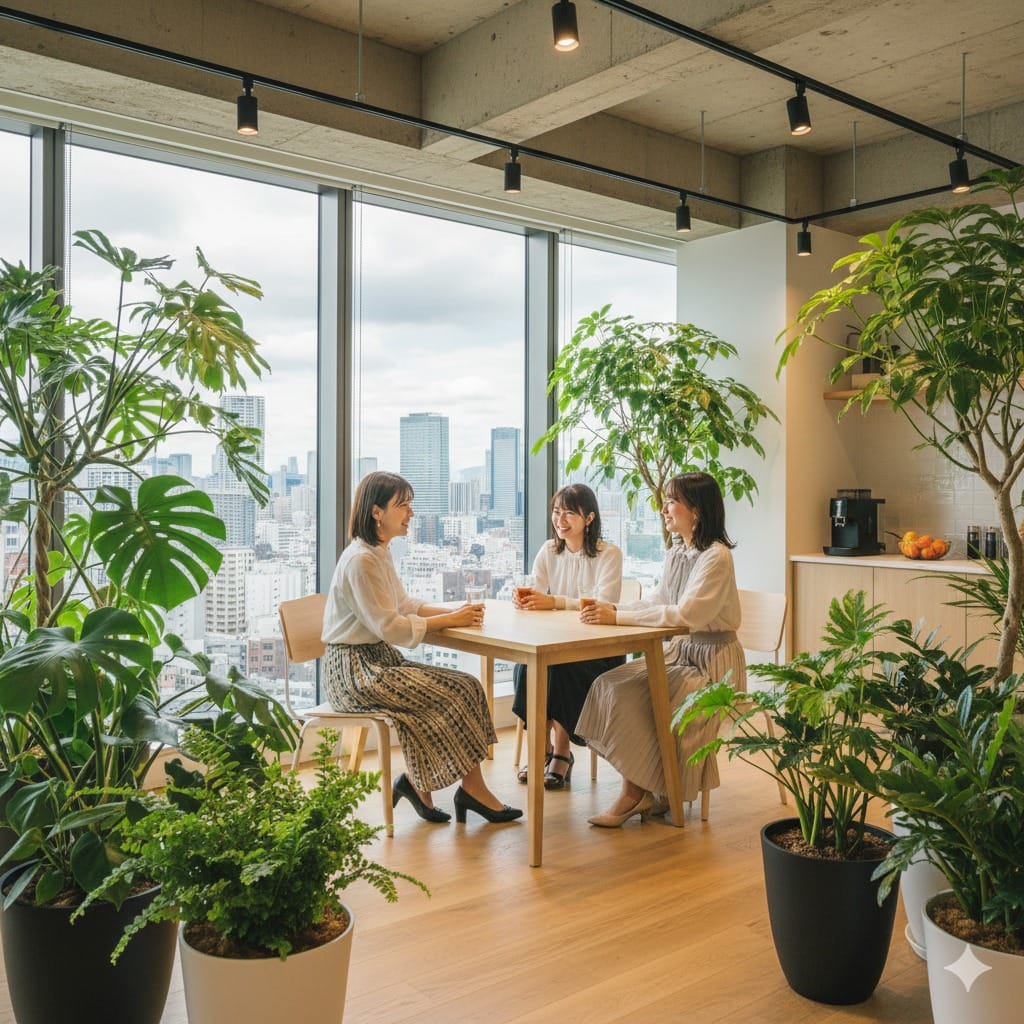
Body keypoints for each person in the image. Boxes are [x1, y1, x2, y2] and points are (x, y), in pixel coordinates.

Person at [321, 471, 522, 825]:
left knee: (465, 686)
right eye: (403, 505)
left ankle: (424, 786)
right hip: (355, 672)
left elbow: (404, 604)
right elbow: (391, 626)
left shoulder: (377, 553)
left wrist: (455, 612)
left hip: (377, 662)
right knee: (456, 689)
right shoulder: (361, 561)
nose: (411, 513)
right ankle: (468, 790)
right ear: (376, 512)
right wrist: (448, 621)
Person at [576, 471, 745, 827]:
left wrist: (616, 617)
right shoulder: (677, 552)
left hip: (713, 665)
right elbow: (659, 599)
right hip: (679, 654)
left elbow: (688, 614)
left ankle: (633, 795)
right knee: (608, 685)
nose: (664, 508)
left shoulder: (716, 557)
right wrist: (615, 612)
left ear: (695, 510)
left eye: (671, 501)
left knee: (636, 694)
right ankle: (649, 789)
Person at [512, 484, 624, 789]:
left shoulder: (608, 554)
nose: (560, 519)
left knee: (561, 668)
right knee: (527, 666)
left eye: (569, 512)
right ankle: (542, 746)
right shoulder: (549, 550)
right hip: (556, 642)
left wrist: (556, 601)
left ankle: (562, 751)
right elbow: (536, 589)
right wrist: (525, 599)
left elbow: (606, 602)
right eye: (556, 511)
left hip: (600, 650)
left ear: (588, 518)